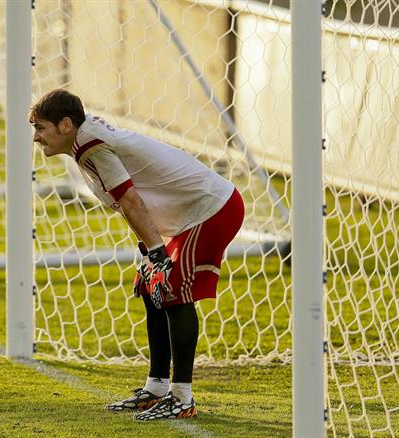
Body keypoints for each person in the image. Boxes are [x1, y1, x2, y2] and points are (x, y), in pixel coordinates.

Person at [29, 89, 244, 421]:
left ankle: (182, 397)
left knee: (171, 290)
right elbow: (130, 204)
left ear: (66, 125)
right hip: (189, 214)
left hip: (210, 209)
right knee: (150, 287)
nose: (35, 137)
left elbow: (131, 201)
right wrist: (151, 253)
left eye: (40, 128)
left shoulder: (90, 146)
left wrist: (158, 255)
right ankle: (156, 388)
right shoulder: (84, 139)